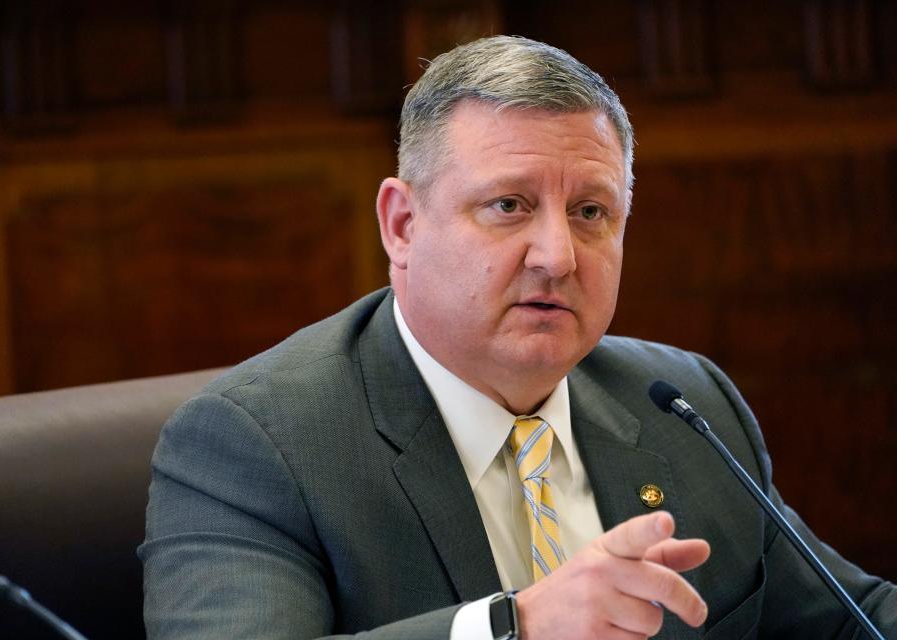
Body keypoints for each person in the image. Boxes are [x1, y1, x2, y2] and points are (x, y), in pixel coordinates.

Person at [139, 36, 896, 639]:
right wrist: (517, 626)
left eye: (591, 212)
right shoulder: (254, 446)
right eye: (508, 205)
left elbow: (849, 620)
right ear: (402, 225)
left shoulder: (686, 405)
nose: (557, 256)